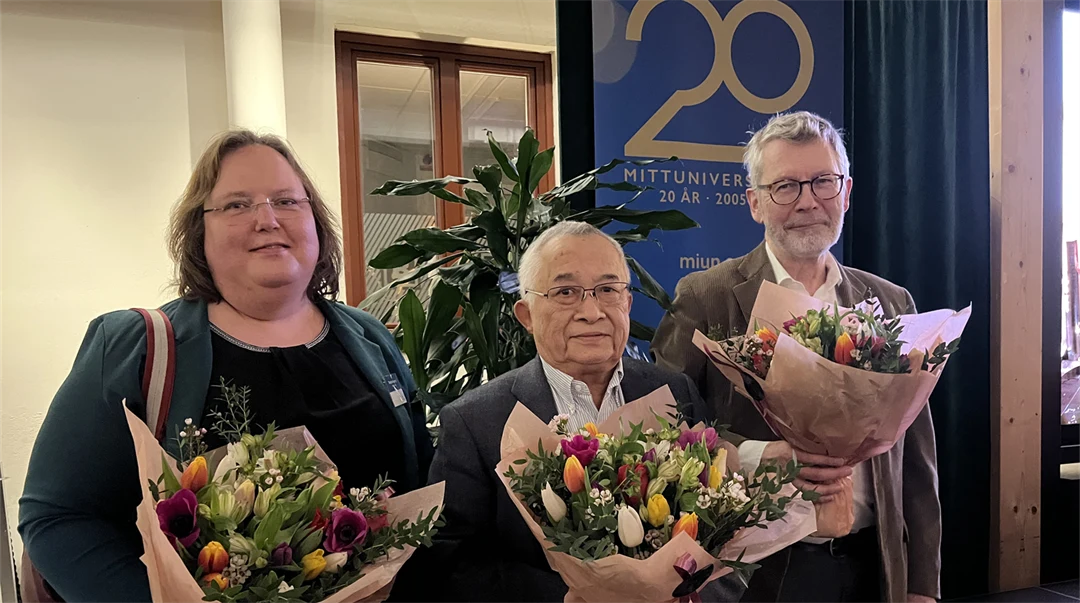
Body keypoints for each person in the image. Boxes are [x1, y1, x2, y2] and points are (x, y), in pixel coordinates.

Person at [18, 130, 433, 602]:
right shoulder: (134, 347)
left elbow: (418, 487)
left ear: (314, 221)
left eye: (287, 201)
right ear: (200, 230)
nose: (267, 219)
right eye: (237, 205)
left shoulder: (369, 337)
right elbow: (58, 518)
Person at [652, 112, 940, 603]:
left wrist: (923, 586)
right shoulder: (706, 296)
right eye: (785, 186)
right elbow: (662, 425)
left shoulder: (892, 303)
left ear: (846, 192)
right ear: (755, 203)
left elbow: (916, 460)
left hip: (875, 567)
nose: (808, 201)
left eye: (823, 182)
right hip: (754, 576)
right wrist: (760, 457)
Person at [396, 221, 740, 603]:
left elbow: (725, 537)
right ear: (526, 315)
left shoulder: (675, 393)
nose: (591, 312)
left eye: (608, 290)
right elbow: (448, 564)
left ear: (627, 302)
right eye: (566, 292)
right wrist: (572, 596)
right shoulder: (476, 421)